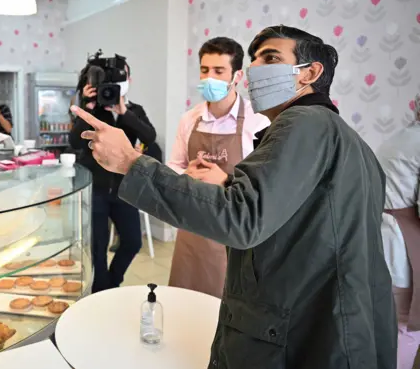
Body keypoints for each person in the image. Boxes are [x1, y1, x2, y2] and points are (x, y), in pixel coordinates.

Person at [71, 25, 396, 368]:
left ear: (310, 73)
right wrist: (227, 185)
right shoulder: (352, 144)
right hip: (329, 314)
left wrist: (130, 162)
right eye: (254, 59)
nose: (256, 68)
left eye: (270, 57)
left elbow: (243, 218)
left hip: (306, 320)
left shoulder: (304, 122)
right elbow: (294, 215)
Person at [166, 37, 269, 298]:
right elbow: (173, 166)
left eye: (218, 71)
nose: (209, 77)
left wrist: (225, 179)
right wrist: (185, 174)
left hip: (232, 230)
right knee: (185, 300)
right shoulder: (189, 119)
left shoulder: (257, 122)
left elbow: (265, 185)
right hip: (192, 225)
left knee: (227, 302)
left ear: (236, 76)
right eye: (204, 70)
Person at [69, 62, 156, 293]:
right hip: (95, 189)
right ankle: (100, 291)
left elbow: (150, 135)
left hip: (124, 188)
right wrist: (86, 108)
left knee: (132, 241)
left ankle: (112, 283)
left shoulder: (134, 110)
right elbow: (74, 142)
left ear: (129, 80)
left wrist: (124, 113)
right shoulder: (93, 110)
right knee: (97, 247)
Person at [377, 93, 420, 369]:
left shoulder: (401, 136)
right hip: (402, 242)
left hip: (383, 236)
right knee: (406, 327)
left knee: (390, 326)